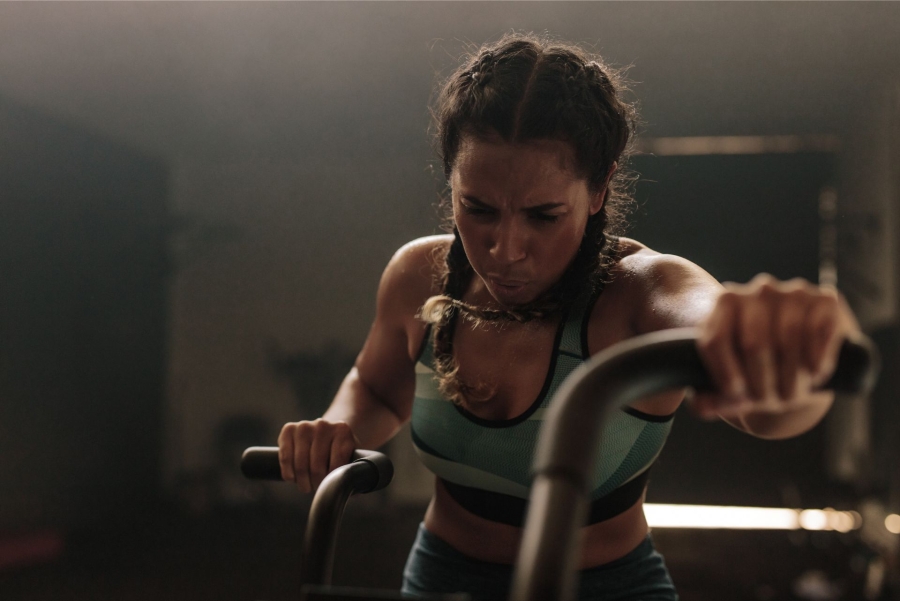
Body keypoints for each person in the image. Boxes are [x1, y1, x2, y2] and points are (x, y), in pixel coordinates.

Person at [277, 33, 862, 601]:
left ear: (600, 188)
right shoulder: (417, 274)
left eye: (543, 216)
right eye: (476, 208)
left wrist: (792, 344)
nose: (505, 249)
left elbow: (758, 393)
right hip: (442, 577)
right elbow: (378, 389)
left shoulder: (641, 292)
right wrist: (337, 426)